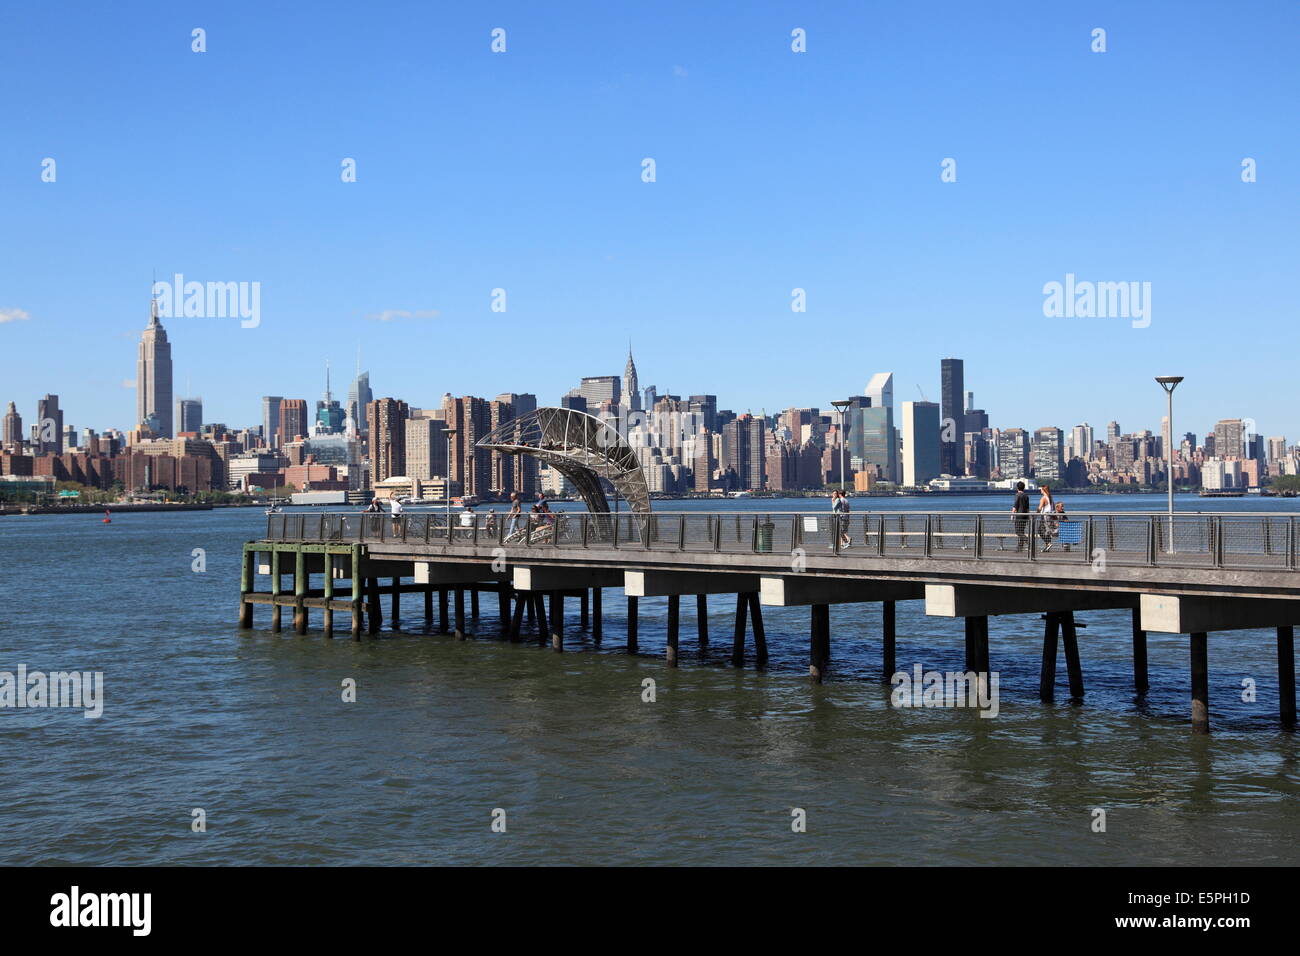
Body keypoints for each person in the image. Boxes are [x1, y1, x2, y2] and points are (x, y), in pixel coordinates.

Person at [1011, 481, 1030, 551]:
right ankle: (1020, 547)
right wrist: (1028, 516)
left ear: (1017, 488)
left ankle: (1028, 541)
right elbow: (1027, 508)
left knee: (1018, 531)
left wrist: (1012, 515)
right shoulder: (1026, 495)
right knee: (1022, 531)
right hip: (1025, 515)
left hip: (1019, 515)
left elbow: (1015, 505)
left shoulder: (1017, 495)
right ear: (1023, 488)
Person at [1037, 485, 1056, 551]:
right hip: (1050, 516)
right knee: (1047, 531)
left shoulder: (1043, 498)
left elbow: (1040, 508)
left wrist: (1035, 514)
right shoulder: (1050, 497)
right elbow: (1053, 508)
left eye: (1041, 489)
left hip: (1044, 516)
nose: (1040, 490)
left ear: (1043, 490)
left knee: (1040, 530)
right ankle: (1047, 547)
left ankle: (1048, 543)